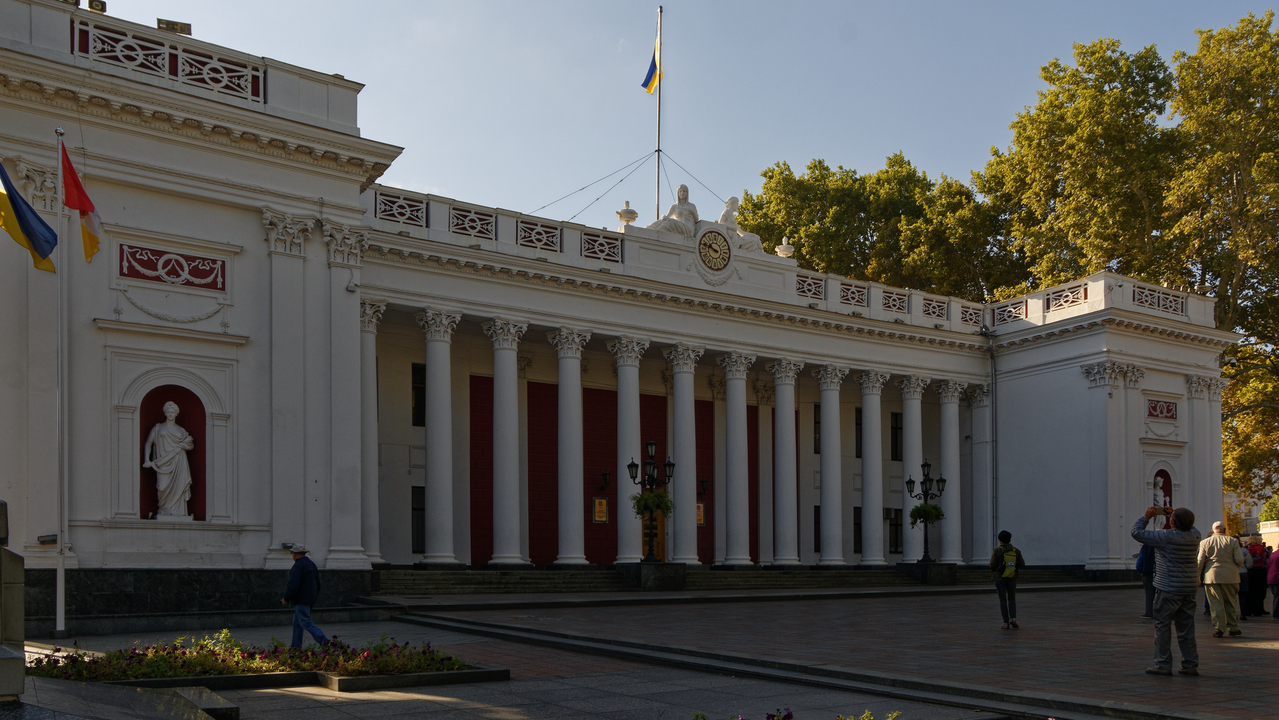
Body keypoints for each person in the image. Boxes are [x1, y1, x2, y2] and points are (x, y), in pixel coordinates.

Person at [1132, 506, 1201, 676]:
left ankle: (1162, 663)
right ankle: (1190, 663)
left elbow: (1137, 533)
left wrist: (1146, 517)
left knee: (1162, 625)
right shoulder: (1195, 535)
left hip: (1169, 587)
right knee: (1187, 627)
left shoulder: (1166, 537)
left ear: (1172, 523)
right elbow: (1190, 526)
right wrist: (1175, 515)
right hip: (1189, 587)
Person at [1197, 520, 1244, 637]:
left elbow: (1200, 561)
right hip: (1230, 576)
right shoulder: (1233, 541)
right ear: (1225, 530)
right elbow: (1239, 560)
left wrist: (1197, 576)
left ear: (1212, 531)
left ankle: (1219, 628)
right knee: (1231, 602)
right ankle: (1233, 627)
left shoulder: (1205, 542)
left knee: (1215, 603)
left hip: (1211, 576)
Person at [281, 544, 328, 648]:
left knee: (306, 622)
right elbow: (318, 583)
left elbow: (293, 585)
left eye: (292, 553)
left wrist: (286, 598)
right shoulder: (311, 564)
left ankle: (325, 642)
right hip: (310, 598)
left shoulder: (298, 566)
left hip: (301, 599)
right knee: (297, 623)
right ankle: (295, 646)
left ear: (295, 554)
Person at [989, 530, 1025, 630]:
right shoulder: (1016, 551)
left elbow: (992, 565)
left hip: (999, 578)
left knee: (1002, 600)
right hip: (1012, 577)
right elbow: (1022, 564)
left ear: (1000, 540)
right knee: (1012, 598)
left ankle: (1005, 623)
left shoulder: (997, 550)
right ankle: (1013, 618)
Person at [1245, 537, 1268, 616]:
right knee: (1260, 591)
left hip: (1250, 571)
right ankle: (1259, 610)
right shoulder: (1263, 548)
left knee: (1250, 591)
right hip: (1261, 571)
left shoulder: (1247, 548)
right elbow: (1266, 560)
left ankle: (1248, 610)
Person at [1136, 543, 1155, 619]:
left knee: (1149, 593)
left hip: (1147, 572)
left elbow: (1141, 558)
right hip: (1160, 572)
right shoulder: (1161, 544)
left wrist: (1140, 570)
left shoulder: (1147, 545)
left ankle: (1149, 612)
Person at [1269, 544, 1279, 619]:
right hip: (1277, 577)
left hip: (1271, 577)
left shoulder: (1273, 554)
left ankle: (1275, 614)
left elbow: (1268, 565)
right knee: (1277, 597)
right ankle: (1276, 614)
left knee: (1276, 596)